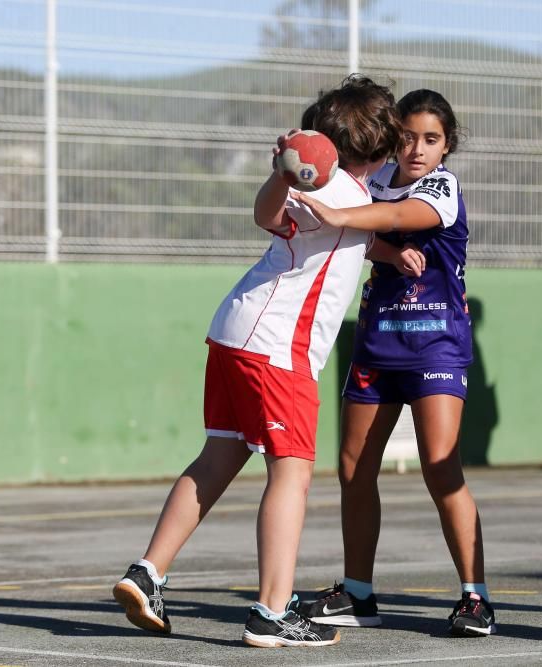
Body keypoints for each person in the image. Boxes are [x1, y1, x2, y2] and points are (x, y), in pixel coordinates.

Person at [111, 74, 415, 648]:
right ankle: (272, 613)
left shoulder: (324, 196)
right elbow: (369, 217)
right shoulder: (349, 196)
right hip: (279, 348)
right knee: (292, 473)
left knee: (217, 457)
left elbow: (281, 219)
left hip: (234, 331)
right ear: (380, 146)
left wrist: (285, 176)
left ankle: (147, 573)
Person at [291, 90, 496, 637]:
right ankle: (357, 593)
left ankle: (475, 597)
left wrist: (345, 215)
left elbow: (403, 215)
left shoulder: (441, 187)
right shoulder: (372, 181)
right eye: (407, 137)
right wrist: (381, 248)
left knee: (440, 466)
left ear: (447, 145)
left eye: (431, 139)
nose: (417, 149)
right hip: (378, 345)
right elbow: (365, 233)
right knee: (354, 470)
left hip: (436, 346)